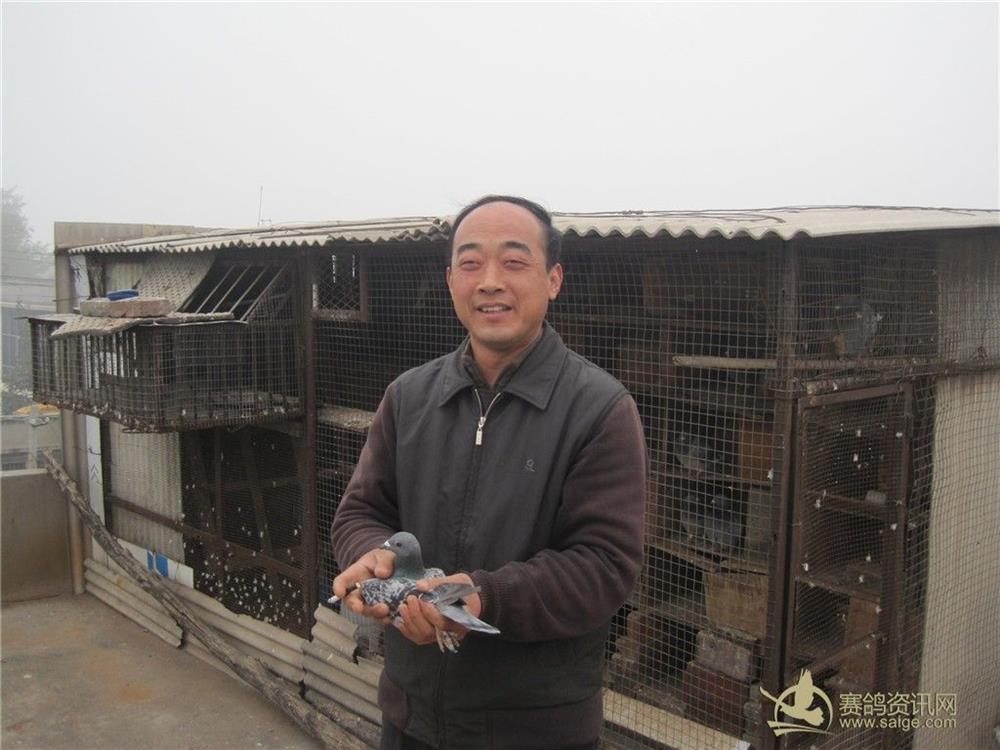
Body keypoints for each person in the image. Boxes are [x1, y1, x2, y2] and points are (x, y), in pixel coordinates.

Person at [331, 195, 647, 750]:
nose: (491, 282)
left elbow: (604, 566)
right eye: (471, 263)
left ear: (553, 279)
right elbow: (361, 511)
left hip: (536, 732)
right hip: (410, 717)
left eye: (515, 262)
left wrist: (479, 597)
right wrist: (373, 556)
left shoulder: (599, 410)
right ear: (451, 279)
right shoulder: (408, 397)